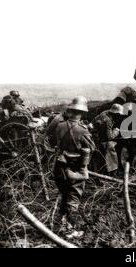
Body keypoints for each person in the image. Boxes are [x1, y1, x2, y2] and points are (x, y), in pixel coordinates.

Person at [50, 96, 96, 238]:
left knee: (64, 195)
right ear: (82, 113)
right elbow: (91, 148)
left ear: (70, 110)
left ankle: (59, 224)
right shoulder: (83, 130)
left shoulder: (59, 126)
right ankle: (71, 230)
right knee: (74, 198)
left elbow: (52, 142)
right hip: (74, 169)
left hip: (59, 167)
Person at [91, 104, 125, 177]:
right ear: (116, 113)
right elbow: (109, 137)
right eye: (119, 114)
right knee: (110, 147)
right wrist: (116, 130)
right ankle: (112, 172)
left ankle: (102, 172)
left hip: (94, 137)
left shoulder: (104, 113)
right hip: (98, 140)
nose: (119, 116)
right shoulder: (108, 120)